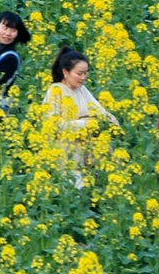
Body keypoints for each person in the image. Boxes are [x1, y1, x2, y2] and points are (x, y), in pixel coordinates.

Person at [44, 46, 120, 186]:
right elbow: (55, 125)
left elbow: (101, 113)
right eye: (79, 73)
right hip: (66, 159)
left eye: (85, 73)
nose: (83, 77)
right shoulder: (55, 91)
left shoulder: (82, 90)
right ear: (66, 72)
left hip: (88, 156)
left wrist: (112, 123)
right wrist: (86, 123)